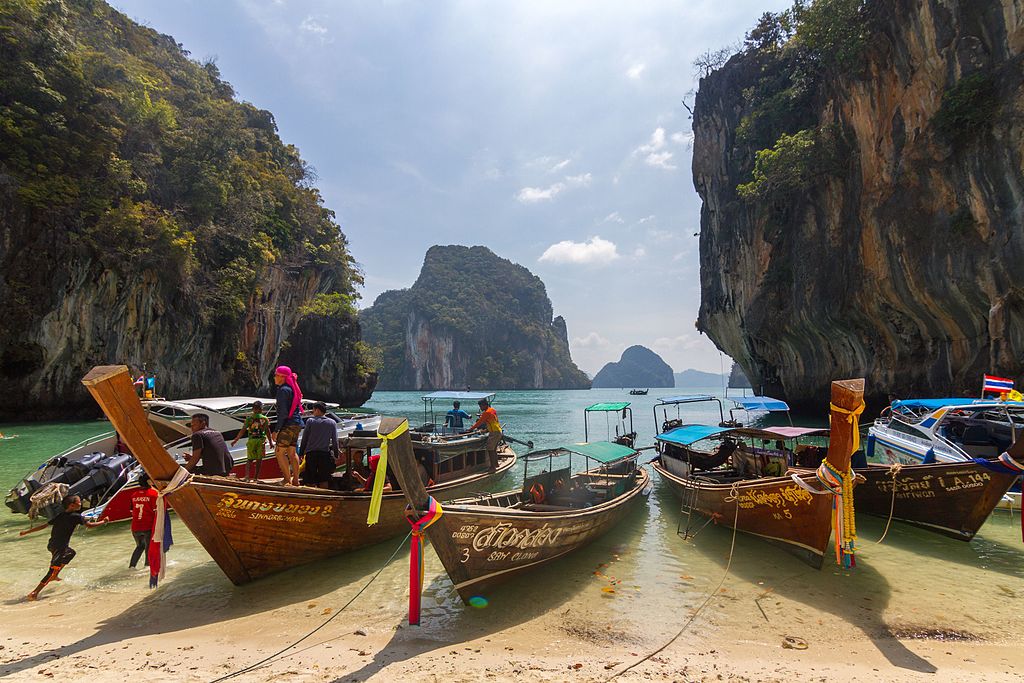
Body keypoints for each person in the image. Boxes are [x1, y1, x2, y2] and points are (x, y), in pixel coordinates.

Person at [22, 495, 108, 600]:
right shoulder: (76, 517)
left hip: (53, 545)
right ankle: (35, 592)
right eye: (79, 502)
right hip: (59, 547)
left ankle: (54, 575)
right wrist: (103, 521)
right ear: (72, 505)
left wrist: (27, 532)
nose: (81, 503)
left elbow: (44, 525)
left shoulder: (60, 515)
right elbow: (89, 525)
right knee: (51, 570)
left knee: (71, 553)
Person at [272, 365, 304, 486]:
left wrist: (277, 430)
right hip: (297, 423)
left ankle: (287, 480)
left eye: (276, 375)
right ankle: (295, 480)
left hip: (288, 424)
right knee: (291, 452)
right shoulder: (291, 388)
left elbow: (283, 413)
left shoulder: (283, 390)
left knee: (279, 452)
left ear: (282, 377)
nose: (274, 377)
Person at [298, 401, 339, 488]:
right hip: (324, 454)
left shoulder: (310, 421)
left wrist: (301, 453)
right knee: (324, 479)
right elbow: (335, 441)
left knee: (310, 480)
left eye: (313, 410)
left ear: (317, 410)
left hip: (311, 454)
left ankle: (311, 498)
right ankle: (325, 497)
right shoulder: (332, 423)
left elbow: (304, 438)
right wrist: (336, 455)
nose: (313, 412)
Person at [231, 401, 274, 482]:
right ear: (261, 409)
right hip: (261, 441)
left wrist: (235, 440)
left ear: (253, 409)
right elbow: (268, 431)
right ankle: (255, 478)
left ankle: (247, 476)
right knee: (259, 460)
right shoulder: (264, 419)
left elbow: (243, 430)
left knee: (249, 459)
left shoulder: (249, 419)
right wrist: (271, 442)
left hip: (251, 441)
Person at [129, 473, 158, 568]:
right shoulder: (153, 494)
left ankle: (132, 567)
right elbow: (157, 510)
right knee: (149, 549)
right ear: (149, 482)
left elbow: (131, 510)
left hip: (135, 527)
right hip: (148, 526)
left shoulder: (134, 495)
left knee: (140, 546)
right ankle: (147, 568)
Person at [470, 398, 502, 471]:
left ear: (484, 405)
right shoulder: (492, 410)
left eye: (481, 406)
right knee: (494, 449)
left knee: (490, 449)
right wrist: (487, 430)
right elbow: (495, 421)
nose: (480, 408)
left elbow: (479, 423)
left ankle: (492, 467)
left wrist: (470, 429)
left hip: (494, 432)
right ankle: (496, 464)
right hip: (498, 430)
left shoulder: (486, 412)